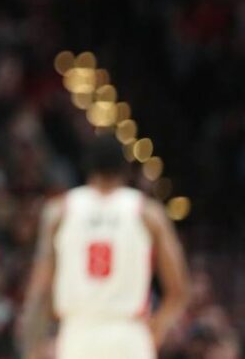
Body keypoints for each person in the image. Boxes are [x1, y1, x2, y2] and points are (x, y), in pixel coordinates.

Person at [18, 135, 190, 359]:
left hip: (77, 335)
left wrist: (32, 346)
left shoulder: (59, 211)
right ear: (125, 168)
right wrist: (156, 330)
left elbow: (40, 289)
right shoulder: (148, 213)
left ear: (87, 166)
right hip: (129, 335)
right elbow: (178, 290)